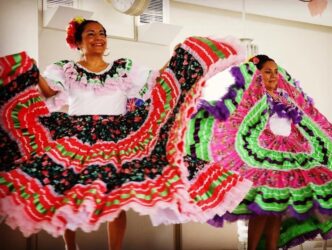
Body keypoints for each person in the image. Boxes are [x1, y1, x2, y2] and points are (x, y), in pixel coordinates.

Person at [0, 17, 251, 250]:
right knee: (69, 191)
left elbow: (156, 80)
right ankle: (70, 246)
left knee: (115, 196)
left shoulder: (124, 68)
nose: (98, 37)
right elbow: (51, 93)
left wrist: (179, 57)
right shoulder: (65, 69)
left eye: (102, 33)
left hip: (118, 135)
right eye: (91, 33)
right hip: (77, 135)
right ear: (78, 41)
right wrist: (31, 71)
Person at [184, 54, 332, 249]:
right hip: (263, 157)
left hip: (287, 156)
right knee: (263, 209)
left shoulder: (285, 97)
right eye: (267, 72)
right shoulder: (252, 97)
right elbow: (240, 122)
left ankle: (272, 247)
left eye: (275, 72)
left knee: (276, 211)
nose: (273, 76)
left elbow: (306, 122)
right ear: (257, 75)